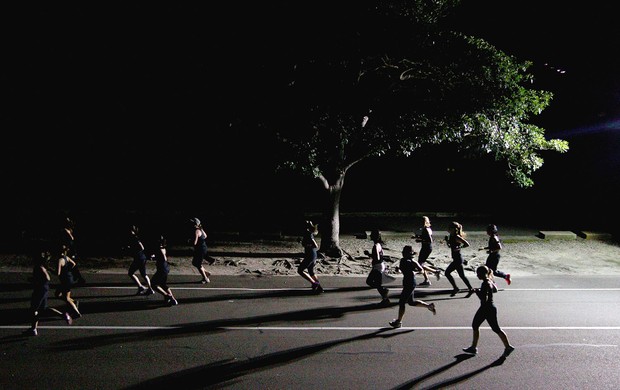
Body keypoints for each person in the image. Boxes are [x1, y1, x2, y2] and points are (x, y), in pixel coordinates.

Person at [462, 265, 515, 358]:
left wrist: (476, 292)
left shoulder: (485, 284)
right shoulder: (489, 281)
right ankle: (507, 346)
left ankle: (474, 348)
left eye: (478, 273)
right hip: (490, 308)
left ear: (482, 274)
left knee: (481, 326)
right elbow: (495, 290)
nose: (477, 275)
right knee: (491, 328)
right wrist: (481, 291)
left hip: (486, 308)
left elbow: (484, 299)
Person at [25, 244, 72, 336]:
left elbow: (47, 278)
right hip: (43, 289)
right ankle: (62, 315)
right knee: (43, 309)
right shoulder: (41, 266)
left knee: (34, 309)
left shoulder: (39, 267)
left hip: (40, 290)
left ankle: (33, 329)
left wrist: (34, 280)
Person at [389, 245, 436, 328]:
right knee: (411, 302)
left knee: (402, 302)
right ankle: (429, 306)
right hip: (407, 282)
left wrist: (415, 273)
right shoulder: (403, 261)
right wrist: (398, 270)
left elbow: (421, 270)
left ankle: (398, 322)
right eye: (403, 251)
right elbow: (402, 270)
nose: (403, 253)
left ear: (409, 253)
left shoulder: (412, 261)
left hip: (410, 283)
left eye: (405, 252)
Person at [444, 221, 474, 296]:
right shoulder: (451, 235)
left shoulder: (457, 237)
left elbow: (467, 244)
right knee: (462, 276)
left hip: (458, 259)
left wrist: (459, 247)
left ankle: (456, 288)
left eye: (450, 228)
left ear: (454, 229)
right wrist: (447, 241)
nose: (448, 229)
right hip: (456, 258)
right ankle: (470, 289)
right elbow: (450, 246)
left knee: (447, 273)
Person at [149, 234, 178, 306]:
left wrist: (155, 257)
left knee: (153, 284)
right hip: (165, 268)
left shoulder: (160, 249)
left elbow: (163, 258)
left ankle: (167, 295)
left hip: (162, 268)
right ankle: (173, 300)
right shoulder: (163, 248)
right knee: (163, 285)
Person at [125, 225, 154, 295]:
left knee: (131, 273)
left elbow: (141, 247)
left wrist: (131, 249)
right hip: (142, 257)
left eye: (131, 231)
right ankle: (150, 289)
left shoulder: (134, 238)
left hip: (139, 258)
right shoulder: (135, 237)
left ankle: (140, 286)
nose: (130, 232)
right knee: (144, 274)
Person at [413, 216, 441, 286]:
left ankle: (435, 271)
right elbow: (425, 238)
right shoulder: (427, 229)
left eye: (422, 221)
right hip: (426, 247)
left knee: (420, 264)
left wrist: (420, 239)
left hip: (426, 248)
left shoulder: (426, 229)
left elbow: (429, 240)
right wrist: (418, 238)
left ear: (425, 222)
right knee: (421, 264)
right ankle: (427, 280)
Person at [57, 244, 82, 321]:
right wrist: (68, 270)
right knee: (58, 294)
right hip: (69, 278)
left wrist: (49, 269)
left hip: (65, 280)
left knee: (66, 298)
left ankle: (77, 312)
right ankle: (73, 302)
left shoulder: (60, 260)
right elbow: (74, 264)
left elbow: (58, 273)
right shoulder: (66, 258)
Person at [365, 229, 390, 305]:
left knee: (371, 282)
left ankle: (385, 295)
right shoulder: (379, 244)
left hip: (378, 267)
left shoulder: (376, 246)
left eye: (372, 234)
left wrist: (369, 255)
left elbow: (377, 258)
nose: (370, 236)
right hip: (379, 266)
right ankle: (384, 295)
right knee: (374, 283)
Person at [298, 220, 323, 293]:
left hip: (310, 254)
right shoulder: (307, 233)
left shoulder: (308, 234)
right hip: (312, 254)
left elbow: (315, 245)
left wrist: (306, 245)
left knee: (300, 270)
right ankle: (319, 287)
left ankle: (314, 283)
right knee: (311, 271)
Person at [190, 217, 212, 284]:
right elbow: (205, 236)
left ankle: (205, 278)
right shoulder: (201, 229)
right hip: (203, 248)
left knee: (198, 264)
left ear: (195, 224)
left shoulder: (196, 231)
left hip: (200, 249)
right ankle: (206, 273)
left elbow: (195, 242)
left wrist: (190, 241)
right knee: (195, 263)